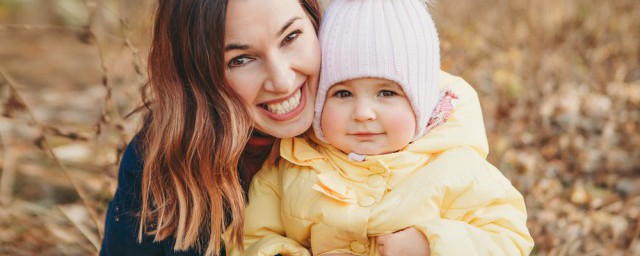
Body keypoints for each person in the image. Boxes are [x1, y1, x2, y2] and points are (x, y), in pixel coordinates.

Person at [100, 0, 434, 255]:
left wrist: (434, 243)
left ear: (315, 22)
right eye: (241, 59)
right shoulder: (165, 164)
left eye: (291, 37)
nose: (282, 80)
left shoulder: (405, 116)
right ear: (201, 76)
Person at [234, 0, 535, 255]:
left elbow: (509, 238)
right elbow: (251, 240)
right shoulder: (288, 166)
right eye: (342, 93)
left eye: (387, 93)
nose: (363, 113)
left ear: (421, 101)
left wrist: (431, 245)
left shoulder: (456, 167)